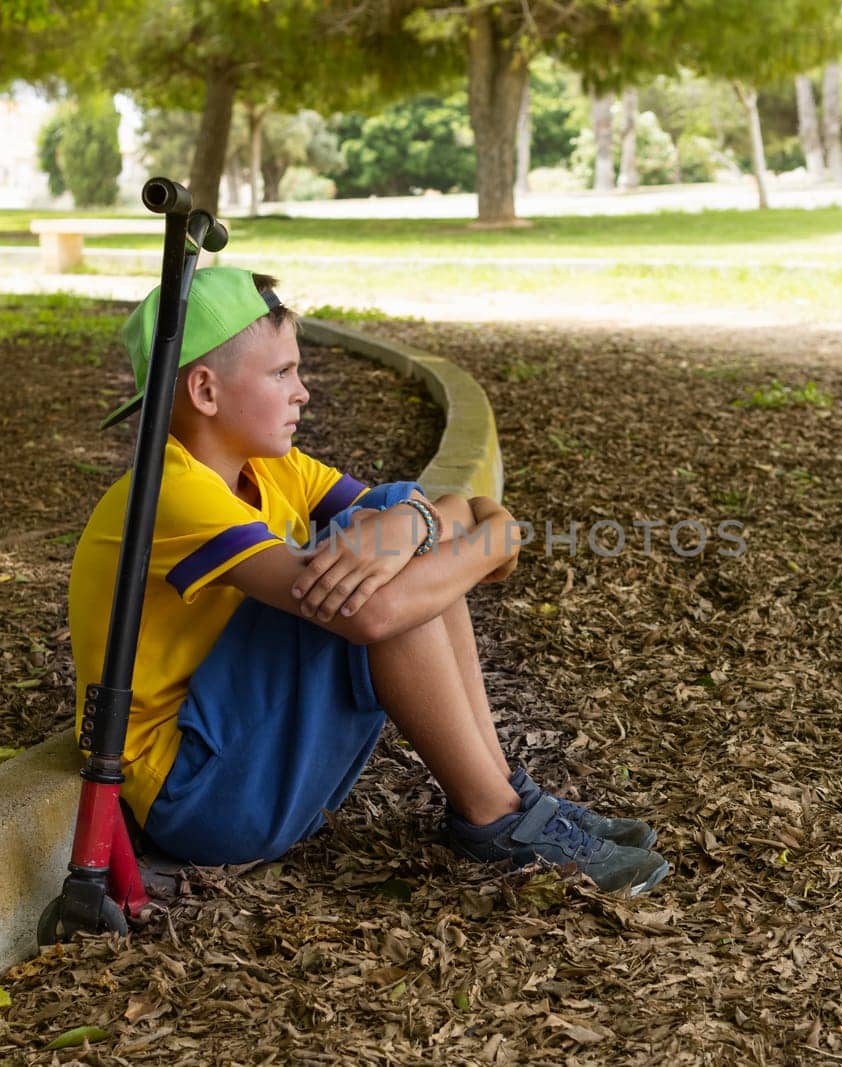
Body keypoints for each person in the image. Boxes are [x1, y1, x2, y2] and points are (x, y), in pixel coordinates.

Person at [67, 267, 669, 897]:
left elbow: (425, 510)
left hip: (242, 763)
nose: (303, 393)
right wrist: (492, 535)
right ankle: (493, 817)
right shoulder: (169, 493)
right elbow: (373, 612)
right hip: (197, 800)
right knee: (374, 561)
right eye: (282, 374)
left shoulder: (273, 470)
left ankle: (503, 795)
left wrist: (413, 522)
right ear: (205, 391)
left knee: (384, 534)